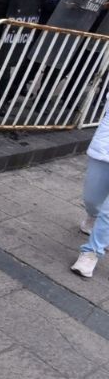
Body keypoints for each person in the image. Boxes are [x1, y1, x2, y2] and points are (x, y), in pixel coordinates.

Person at [71, 95, 109, 278]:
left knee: (108, 212)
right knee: (92, 199)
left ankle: (91, 252)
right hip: (105, 149)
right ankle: (92, 217)